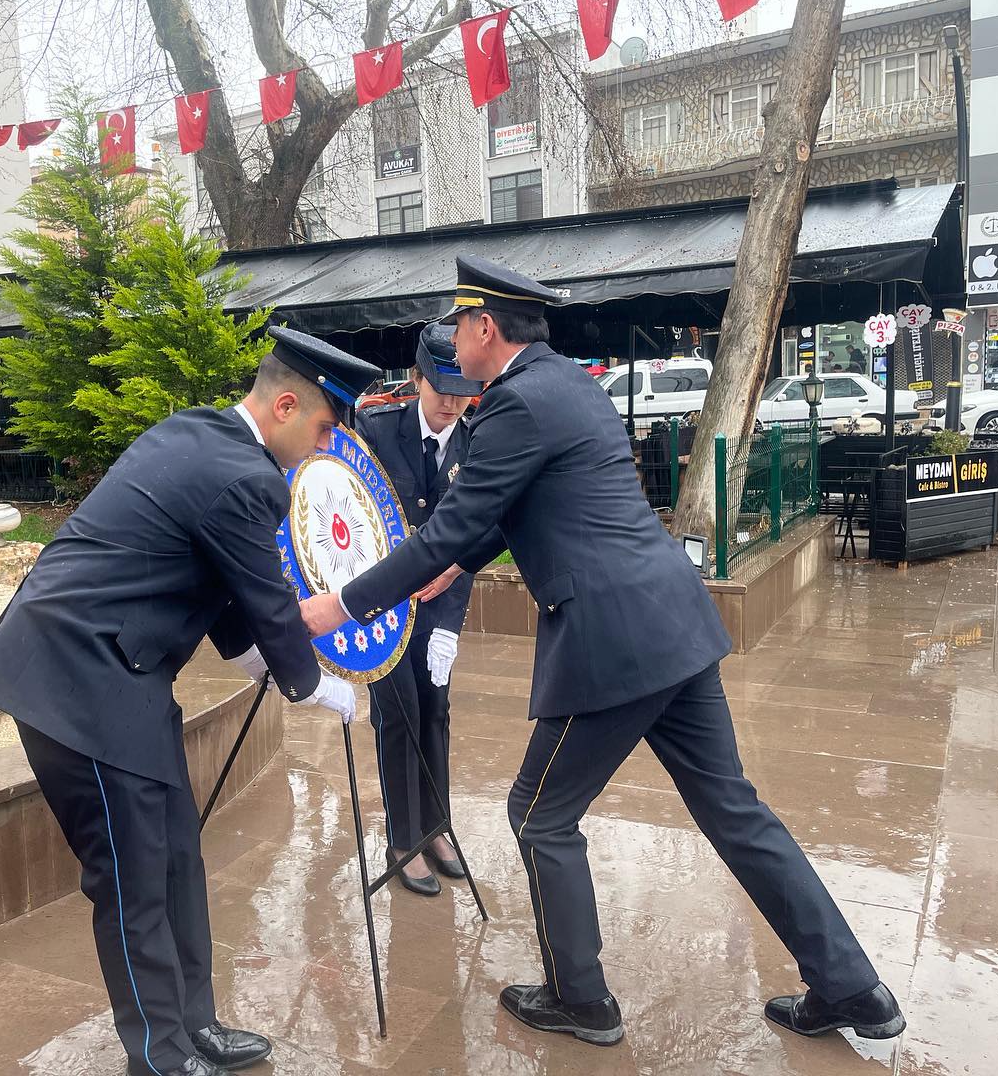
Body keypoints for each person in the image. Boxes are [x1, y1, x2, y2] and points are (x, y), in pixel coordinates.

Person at [300, 256, 905, 1048]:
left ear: (485, 328)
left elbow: (450, 526)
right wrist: (456, 564)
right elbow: (512, 512)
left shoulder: (512, 404)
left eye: (459, 326)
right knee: (735, 811)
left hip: (612, 638)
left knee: (539, 815)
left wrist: (339, 603)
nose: (453, 342)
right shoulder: (567, 384)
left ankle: (580, 998)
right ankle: (853, 987)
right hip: (674, 622)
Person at [0, 326, 380, 1076]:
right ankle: (158, 1056)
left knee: (177, 858)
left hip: (121, 676)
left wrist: (260, 659)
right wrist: (312, 682)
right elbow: (267, 600)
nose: (328, 448)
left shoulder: (202, 435)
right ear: (285, 406)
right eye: (325, 429)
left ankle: (196, 1025)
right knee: (133, 880)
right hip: (77, 685)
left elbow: (221, 586)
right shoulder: (244, 476)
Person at [356, 325, 484, 897]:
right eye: (441, 390)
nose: (452, 404)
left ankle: (436, 827)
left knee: (435, 709)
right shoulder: (378, 429)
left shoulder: (477, 443)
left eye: (462, 392)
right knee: (399, 713)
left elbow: (474, 534)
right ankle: (403, 839)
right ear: (416, 379)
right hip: (383, 604)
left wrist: (451, 625)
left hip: (437, 602)